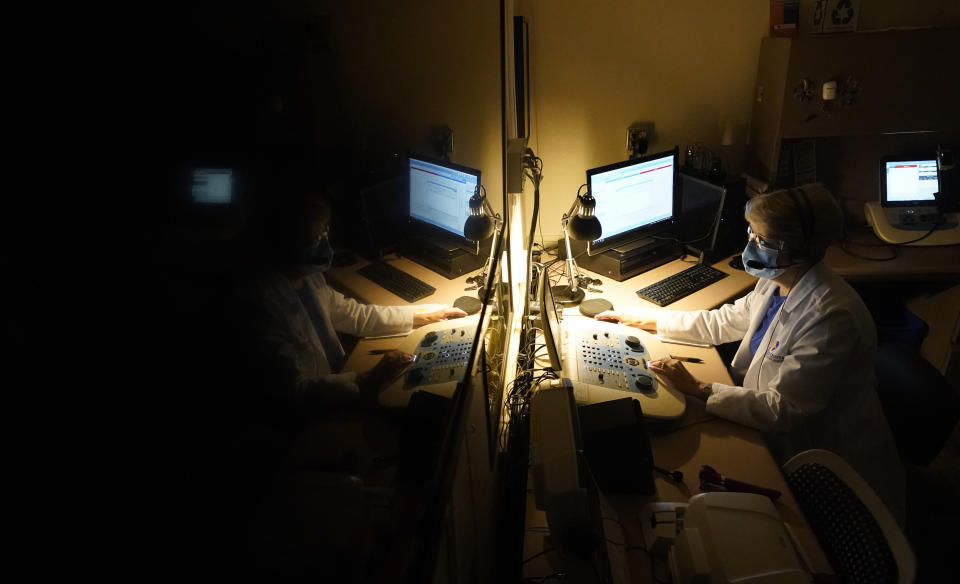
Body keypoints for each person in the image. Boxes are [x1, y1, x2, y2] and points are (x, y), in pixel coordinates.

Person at [596, 184, 905, 521]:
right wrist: (649, 319)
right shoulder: (778, 281)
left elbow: (785, 410)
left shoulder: (831, 317)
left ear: (795, 248)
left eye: (761, 239)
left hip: (824, 457)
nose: (750, 245)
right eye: (750, 233)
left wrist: (699, 389)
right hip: (763, 419)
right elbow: (725, 321)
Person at [247, 191, 466, 409]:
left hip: (338, 377)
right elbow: (297, 391)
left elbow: (354, 315)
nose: (325, 244)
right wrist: (369, 377)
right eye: (314, 239)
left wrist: (419, 314)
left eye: (325, 231)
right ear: (285, 244)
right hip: (308, 413)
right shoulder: (262, 305)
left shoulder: (309, 278)